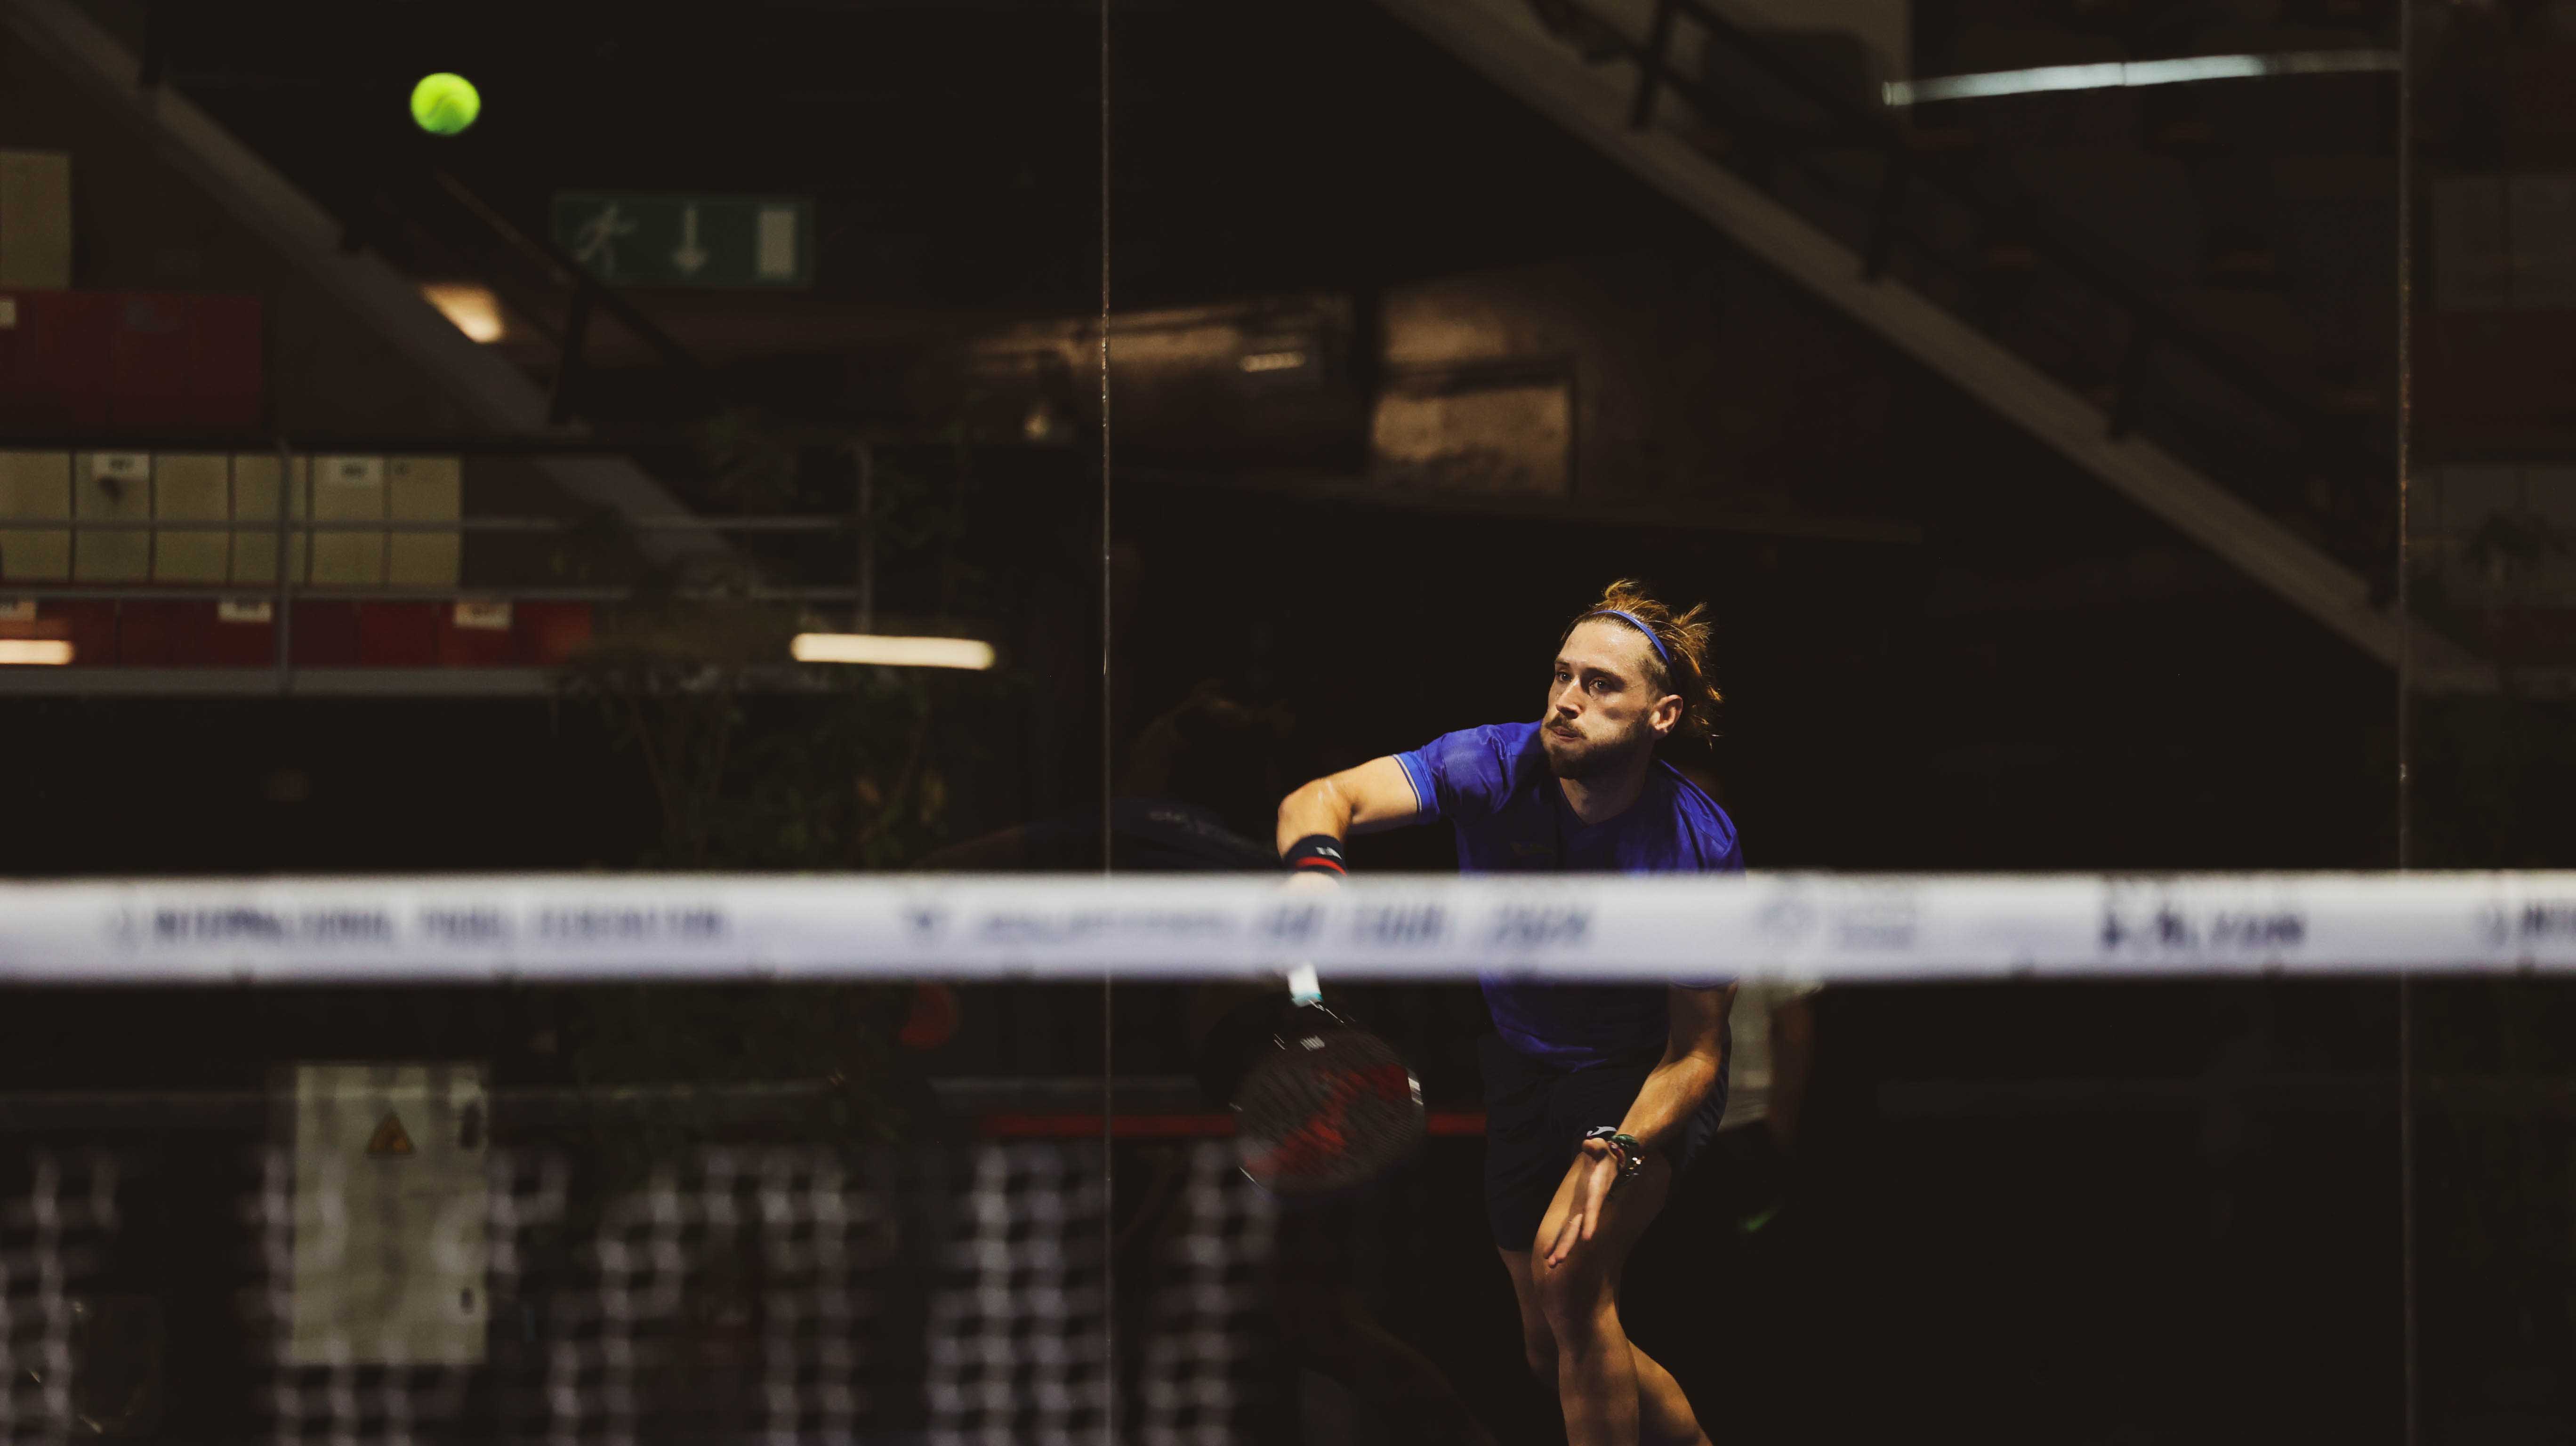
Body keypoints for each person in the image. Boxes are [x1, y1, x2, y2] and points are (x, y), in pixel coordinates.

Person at [1274, 579, 1739, 1446]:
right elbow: (1319, 800)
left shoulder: (1693, 846)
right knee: (1549, 1346)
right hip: (1524, 1062)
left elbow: (1698, 1054)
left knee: (1570, 1279)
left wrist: (1619, 1145)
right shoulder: (1489, 762)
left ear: (1662, 716)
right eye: (1562, 674)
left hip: (1639, 1073)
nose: (1567, 700)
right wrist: (1315, 876)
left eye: (1601, 685)